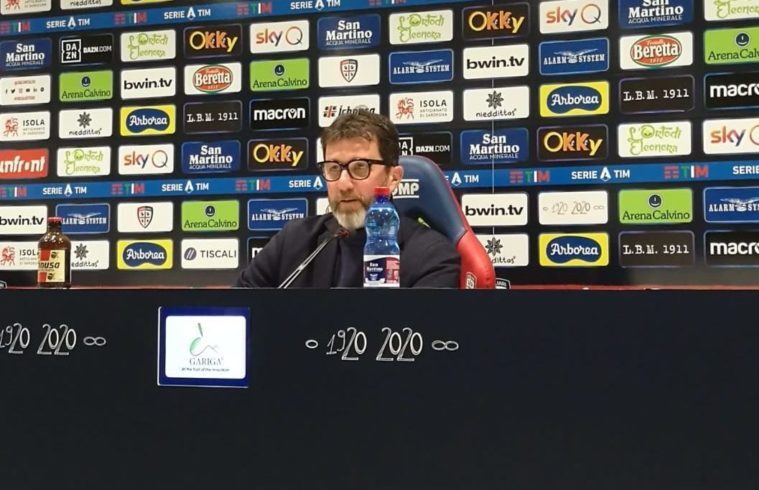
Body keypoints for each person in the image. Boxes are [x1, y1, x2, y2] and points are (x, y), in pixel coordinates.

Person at [235, 109, 461, 288]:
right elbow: (237, 311)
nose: (343, 184)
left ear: (393, 178)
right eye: (333, 168)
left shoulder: (432, 256)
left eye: (360, 167)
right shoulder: (294, 240)